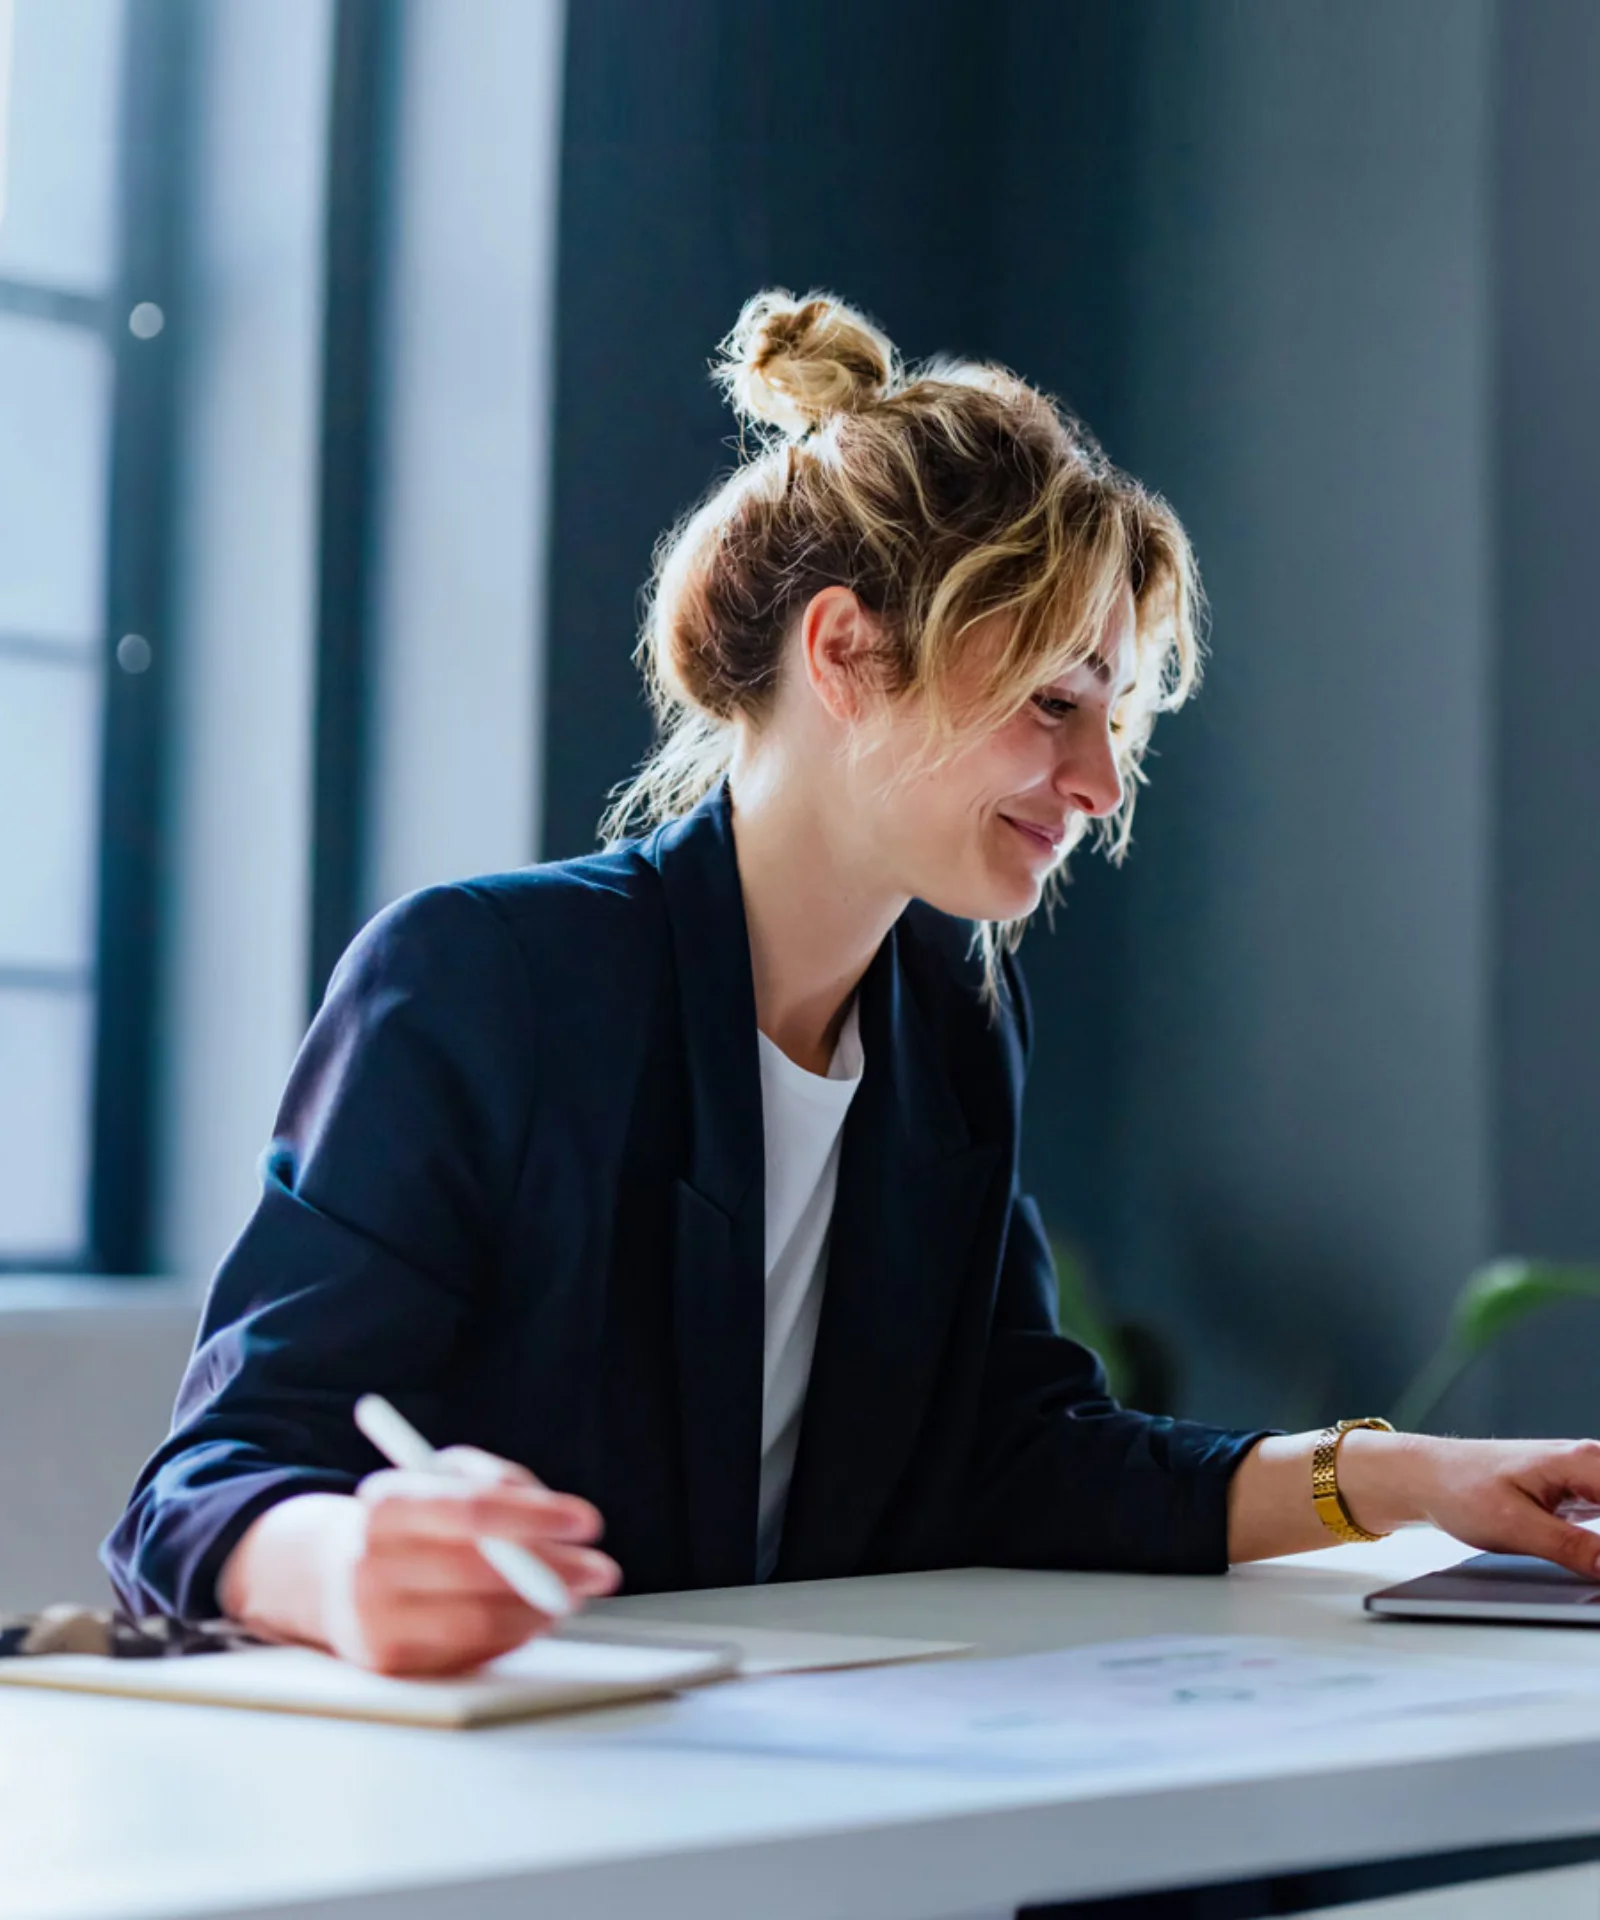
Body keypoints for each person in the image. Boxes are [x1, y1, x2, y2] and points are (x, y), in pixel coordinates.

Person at [104, 290, 1600, 1677]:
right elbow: (201, 1492)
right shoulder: (479, 982)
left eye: (1116, 717)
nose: (1095, 780)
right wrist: (343, 1561)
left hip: (795, 1779)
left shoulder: (950, 1025)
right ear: (846, 652)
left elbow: (1018, 1454)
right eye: (1051, 703)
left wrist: (1407, 1480)